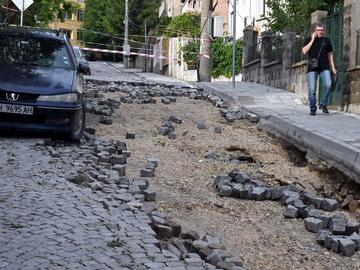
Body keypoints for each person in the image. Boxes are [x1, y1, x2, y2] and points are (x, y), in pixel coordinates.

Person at [302, 22, 336, 115]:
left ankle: (323, 103)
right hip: (312, 67)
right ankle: (313, 108)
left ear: (324, 31)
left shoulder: (327, 40)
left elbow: (330, 54)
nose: (320, 32)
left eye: (322, 30)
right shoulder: (309, 39)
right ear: (315, 31)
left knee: (328, 84)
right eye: (318, 30)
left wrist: (333, 67)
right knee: (312, 89)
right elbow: (304, 51)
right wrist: (312, 39)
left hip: (324, 66)